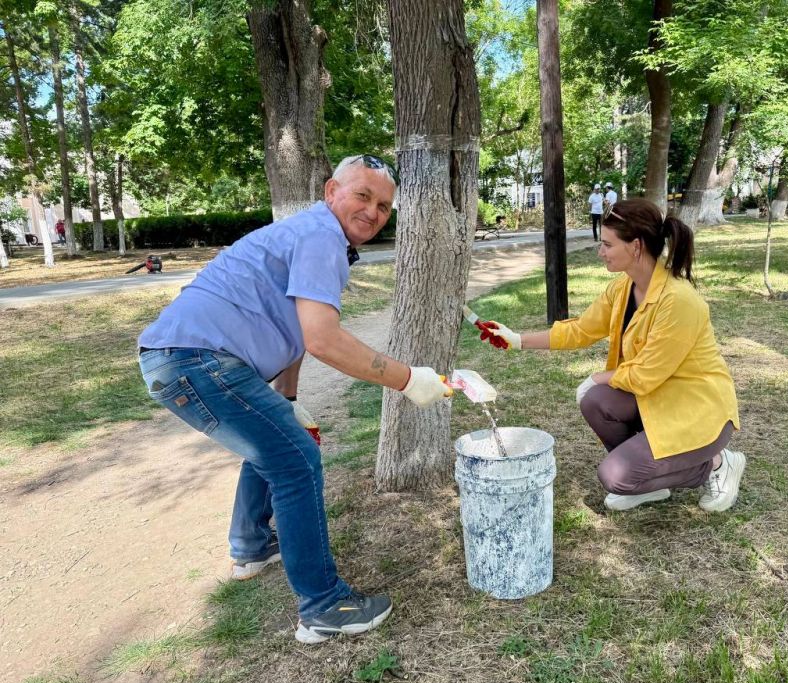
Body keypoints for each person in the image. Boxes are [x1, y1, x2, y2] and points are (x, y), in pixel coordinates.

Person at [137, 154, 453, 643]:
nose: (373, 212)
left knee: (277, 441)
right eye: (362, 196)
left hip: (185, 359)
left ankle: (252, 546)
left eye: (385, 206)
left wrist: (287, 398)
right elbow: (324, 339)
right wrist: (409, 380)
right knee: (296, 460)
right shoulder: (321, 237)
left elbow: (297, 330)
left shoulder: (315, 234)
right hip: (196, 360)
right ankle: (324, 605)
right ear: (331, 191)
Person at [475, 199, 745, 512]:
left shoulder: (679, 301)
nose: (600, 251)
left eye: (607, 244)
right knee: (597, 401)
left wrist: (597, 376)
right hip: (658, 400)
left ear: (636, 246)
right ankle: (648, 482)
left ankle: (716, 463)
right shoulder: (623, 288)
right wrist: (516, 339)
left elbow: (645, 376)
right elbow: (580, 330)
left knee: (614, 475)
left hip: (698, 414)